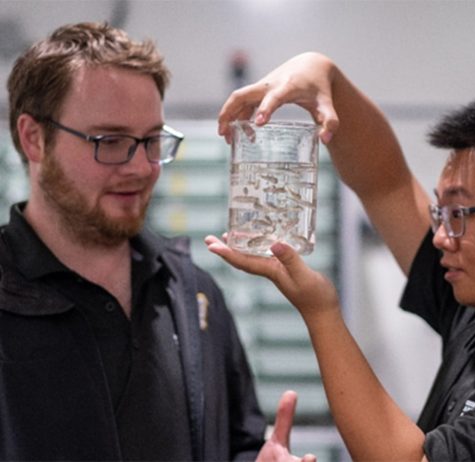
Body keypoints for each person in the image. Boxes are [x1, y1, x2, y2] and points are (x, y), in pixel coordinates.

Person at [206, 51, 475, 461]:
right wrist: (327, 78)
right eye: (441, 214)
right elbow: (386, 184)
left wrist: (321, 311)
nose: (440, 237)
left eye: (460, 214)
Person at [1, 21, 275, 461]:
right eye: (110, 141)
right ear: (34, 138)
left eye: (151, 141)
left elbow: (239, 441)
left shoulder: (193, 294)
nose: (142, 167)